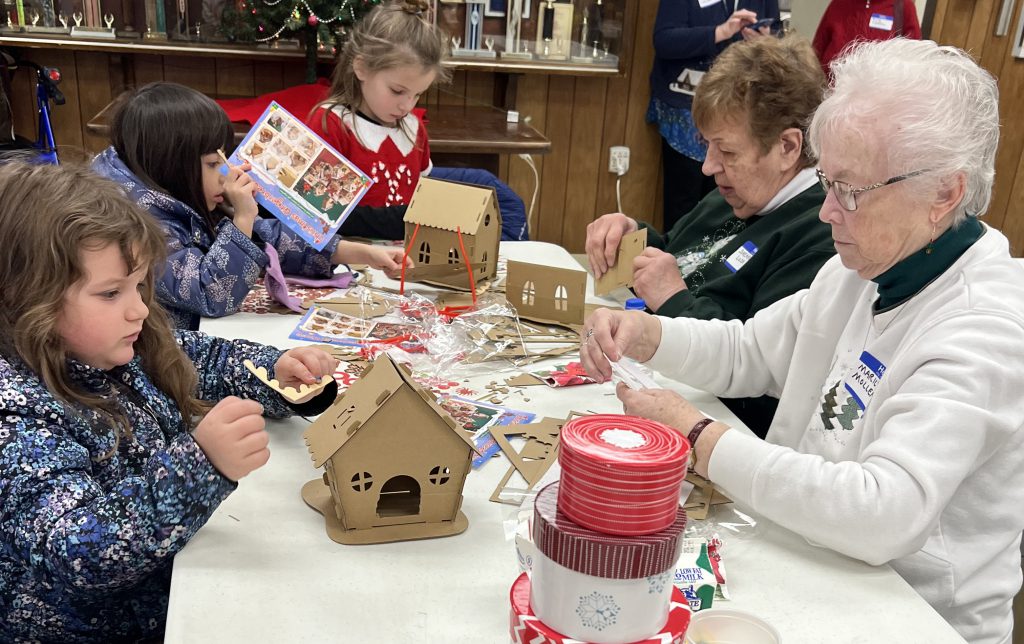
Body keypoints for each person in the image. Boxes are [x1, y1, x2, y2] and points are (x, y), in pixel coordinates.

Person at [581, 39, 1024, 644]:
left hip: (909, 616)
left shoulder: (985, 327)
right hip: (813, 563)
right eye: (827, 182)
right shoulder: (861, 268)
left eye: (851, 191)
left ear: (944, 194)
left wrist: (698, 435)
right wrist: (648, 334)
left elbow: (882, 512)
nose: (825, 213)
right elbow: (749, 353)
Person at [0, 162, 341, 643]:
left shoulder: (109, 342)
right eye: (110, 293)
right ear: (23, 297)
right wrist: (201, 463)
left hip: (173, 580)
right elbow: (77, 551)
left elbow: (195, 355)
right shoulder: (15, 414)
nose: (138, 308)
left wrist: (276, 372)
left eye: (139, 285)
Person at [587, 35, 834, 436]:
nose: (707, 167)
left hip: (712, 425)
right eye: (706, 146)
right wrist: (632, 238)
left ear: (788, 147)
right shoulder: (741, 192)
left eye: (727, 151)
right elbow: (685, 258)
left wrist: (674, 300)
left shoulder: (820, 233)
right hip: (653, 377)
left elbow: (754, 369)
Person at [91, 81, 410, 331]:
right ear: (173, 165)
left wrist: (363, 254)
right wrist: (242, 216)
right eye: (214, 164)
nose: (227, 173)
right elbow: (212, 295)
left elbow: (268, 236)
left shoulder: (172, 189)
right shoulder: (140, 227)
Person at [306, 0, 530, 242]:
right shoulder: (331, 124)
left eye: (417, 94)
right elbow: (321, 215)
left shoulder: (413, 129)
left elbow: (420, 197)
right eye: (397, 90)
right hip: (349, 264)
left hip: (404, 264)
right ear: (361, 67)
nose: (407, 106)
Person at [648, 0, 780, 231]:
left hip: (741, 108)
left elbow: (777, 38)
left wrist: (765, 41)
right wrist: (720, 32)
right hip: (685, 106)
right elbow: (664, 41)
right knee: (684, 200)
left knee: (728, 200)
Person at [813, 0, 920, 76]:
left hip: (878, 102)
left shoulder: (903, 7)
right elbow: (815, 55)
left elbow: (914, 64)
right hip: (830, 98)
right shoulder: (838, 4)